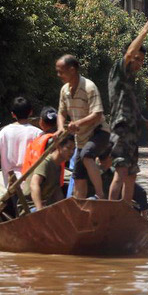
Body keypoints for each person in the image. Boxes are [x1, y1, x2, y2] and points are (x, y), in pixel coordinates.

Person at [107, 18, 148, 203]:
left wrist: (146, 123)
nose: (138, 63)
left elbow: (134, 111)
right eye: (137, 59)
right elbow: (129, 54)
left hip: (132, 133)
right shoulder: (119, 71)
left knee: (131, 175)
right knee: (121, 172)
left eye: (142, 61)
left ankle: (126, 210)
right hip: (121, 130)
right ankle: (111, 212)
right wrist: (144, 31)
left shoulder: (130, 84)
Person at [56, 54, 110, 200]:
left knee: (86, 155)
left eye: (61, 71)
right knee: (78, 176)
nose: (58, 75)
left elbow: (97, 114)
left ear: (72, 70)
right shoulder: (64, 90)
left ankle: (99, 195)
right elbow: (61, 113)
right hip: (81, 138)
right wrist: (61, 127)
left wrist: (77, 123)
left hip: (99, 133)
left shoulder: (89, 87)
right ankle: (79, 207)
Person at [0, 97, 42, 187]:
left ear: (13, 114)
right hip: (31, 184)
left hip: (11, 184)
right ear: (31, 112)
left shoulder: (5, 131)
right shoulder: (37, 133)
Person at [22, 134, 75, 211]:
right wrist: (40, 210)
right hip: (30, 206)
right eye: (68, 148)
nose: (71, 152)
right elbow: (34, 184)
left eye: (73, 149)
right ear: (58, 146)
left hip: (46, 205)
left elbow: (57, 191)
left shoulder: (58, 166)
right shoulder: (45, 162)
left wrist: (64, 209)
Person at [22, 106, 66, 187]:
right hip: (53, 184)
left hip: (35, 183)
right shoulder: (61, 141)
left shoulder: (38, 141)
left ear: (41, 122)